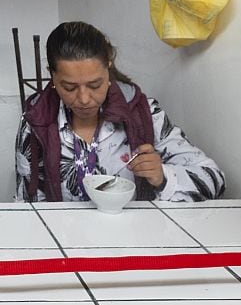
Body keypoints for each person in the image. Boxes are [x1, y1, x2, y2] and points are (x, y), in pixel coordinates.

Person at [15, 21, 224, 203]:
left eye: (95, 85)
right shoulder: (36, 121)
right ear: (52, 76)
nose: (84, 99)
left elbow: (214, 179)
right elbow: (27, 203)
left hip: (136, 234)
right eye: (69, 88)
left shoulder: (144, 114)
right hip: (64, 235)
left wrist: (163, 177)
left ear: (108, 67)